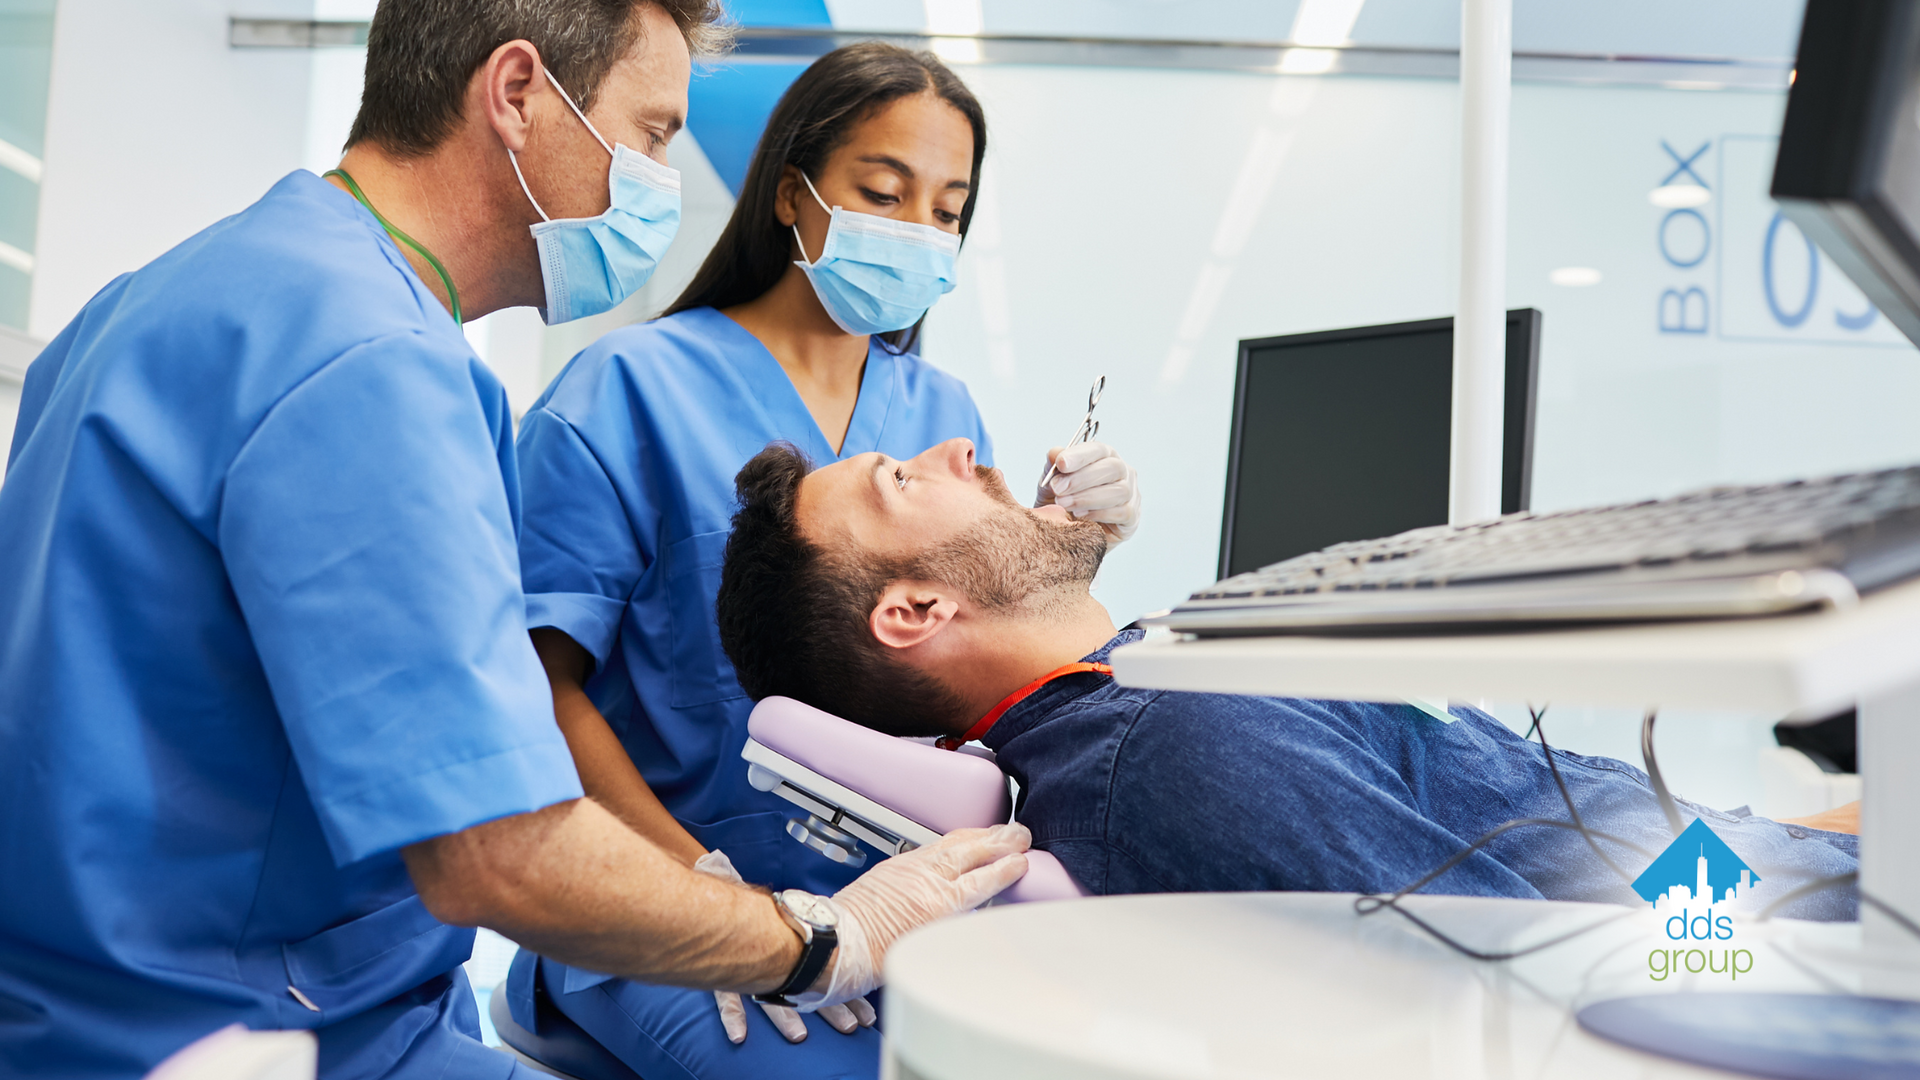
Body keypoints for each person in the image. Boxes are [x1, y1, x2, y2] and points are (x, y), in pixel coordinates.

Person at [0, 5, 1030, 1077]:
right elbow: (498, 850)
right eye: (654, 133)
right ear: (518, 92)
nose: (658, 182)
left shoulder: (168, 296)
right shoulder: (372, 364)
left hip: (77, 998)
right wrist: (818, 943)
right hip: (246, 1025)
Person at [507, 41, 1142, 1076]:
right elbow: (534, 685)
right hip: (664, 889)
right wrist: (706, 896)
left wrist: (1072, 545)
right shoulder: (625, 389)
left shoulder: (940, 408)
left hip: (906, 896)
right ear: (794, 197)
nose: (920, 232)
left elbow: (954, 640)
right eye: (884, 193)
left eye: (947, 210)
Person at [712, 438, 1864, 921]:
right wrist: (1824, 908)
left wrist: (1799, 837)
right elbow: (1537, 971)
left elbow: (1528, 838)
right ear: (917, 613)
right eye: (908, 480)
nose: (965, 452)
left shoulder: (1150, 687)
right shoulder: (1179, 749)